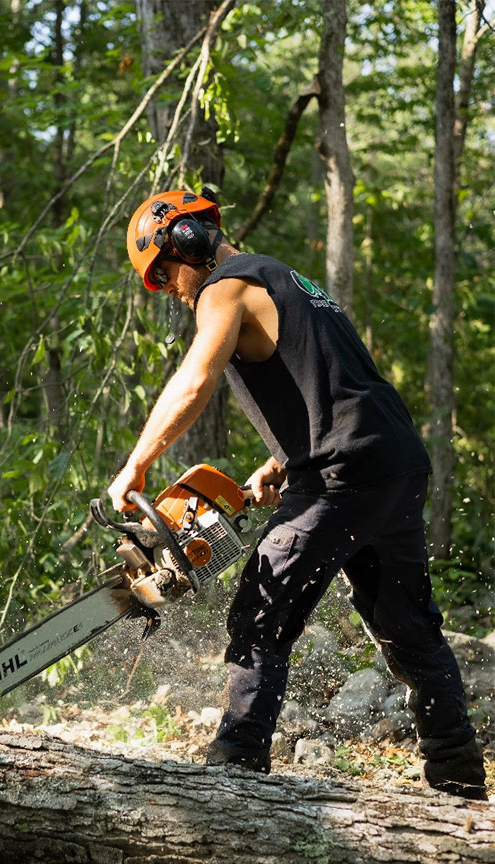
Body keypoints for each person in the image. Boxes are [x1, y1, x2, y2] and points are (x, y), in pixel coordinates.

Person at [107, 188, 488, 800]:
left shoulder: (224, 286)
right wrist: (279, 461)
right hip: (391, 463)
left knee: (261, 611)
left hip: (341, 475)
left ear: (187, 243)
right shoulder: (286, 279)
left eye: (164, 272)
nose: (171, 289)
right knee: (408, 627)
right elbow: (333, 382)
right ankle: (459, 775)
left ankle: (233, 776)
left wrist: (136, 465)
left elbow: (197, 375)